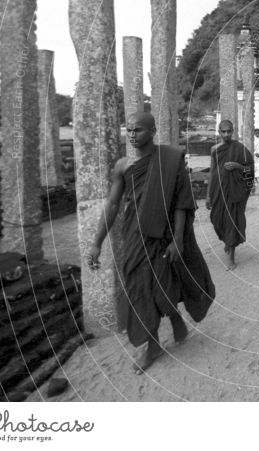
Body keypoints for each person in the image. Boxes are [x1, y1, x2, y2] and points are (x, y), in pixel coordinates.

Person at [88, 112, 216, 374]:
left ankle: (166, 325)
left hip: (163, 232)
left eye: (138, 130)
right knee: (138, 286)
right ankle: (157, 339)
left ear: (153, 131)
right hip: (134, 235)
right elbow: (112, 205)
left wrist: (178, 239)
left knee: (163, 281)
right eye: (129, 130)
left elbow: (181, 201)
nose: (132, 135)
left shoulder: (169, 159)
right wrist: (96, 242)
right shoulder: (123, 166)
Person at [206, 119, 255, 271]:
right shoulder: (215, 149)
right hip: (218, 190)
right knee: (217, 219)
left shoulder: (240, 148)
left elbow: (251, 170)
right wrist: (208, 195)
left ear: (233, 131)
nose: (226, 134)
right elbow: (212, 171)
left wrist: (238, 166)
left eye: (229, 131)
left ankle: (231, 257)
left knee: (232, 220)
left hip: (235, 191)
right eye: (223, 131)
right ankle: (227, 242)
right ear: (219, 132)